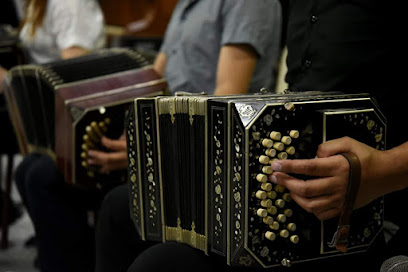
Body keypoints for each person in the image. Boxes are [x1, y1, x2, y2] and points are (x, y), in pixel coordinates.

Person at [127, 1, 407, 272]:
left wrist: (386, 168)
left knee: (160, 263)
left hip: (376, 207)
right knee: (125, 212)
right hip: (287, 193)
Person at [94, 1, 284, 272]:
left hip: (214, 156)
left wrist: (150, 152)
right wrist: (132, 131)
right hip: (172, 136)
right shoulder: (187, 3)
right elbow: (154, 80)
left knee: (117, 208)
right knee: (99, 191)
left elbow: (226, 102)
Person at [12, 0, 109, 271]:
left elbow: (76, 79)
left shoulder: (69, 3)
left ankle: (69, 257)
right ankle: (59, 248)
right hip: (47, 110)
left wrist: (9, 80)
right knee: (26, 172)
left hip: (87, 116)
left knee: (40, 174)